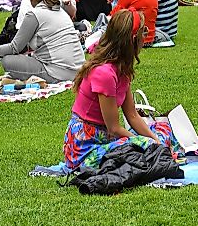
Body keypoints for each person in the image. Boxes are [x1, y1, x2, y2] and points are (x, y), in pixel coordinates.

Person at [61, 10, 160, 171]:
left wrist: (155, 141)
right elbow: (114, 128)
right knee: (141, 148)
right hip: (86, 149)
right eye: (144, 31)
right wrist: (144, 143)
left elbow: (132, 115)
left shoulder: (121, 68)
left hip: (105, 139)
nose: (146, 37)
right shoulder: (105, 73)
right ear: (133, 39)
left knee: (159, 132)